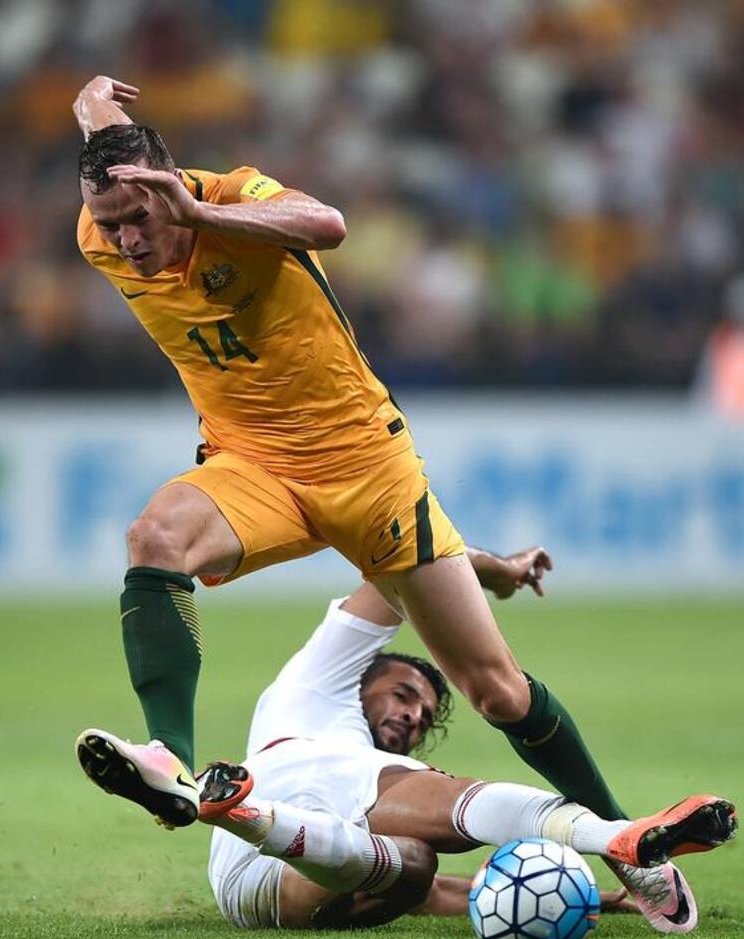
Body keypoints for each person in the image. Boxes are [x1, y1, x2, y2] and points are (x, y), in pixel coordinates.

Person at [73, 75, 627, 844]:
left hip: (367, 471)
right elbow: (110, 141)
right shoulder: (98, 230)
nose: (127, 239)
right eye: (111, 221)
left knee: (496, 691)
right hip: (254, 465)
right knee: (154, 539)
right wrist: (91, 105)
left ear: (173, 188)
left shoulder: (235, 199)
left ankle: (628, 841)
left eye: (141, 216)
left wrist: (201, 213)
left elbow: (327, 222)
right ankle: (172, 764)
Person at [189, 546, 735, 932]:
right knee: (428, 796)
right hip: (252, 864)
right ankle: (616, 836)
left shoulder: (373, 769)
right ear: (365, 678)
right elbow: (415, 560)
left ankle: (621, 845)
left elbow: (440, 895)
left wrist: (590, 900)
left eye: (425, 716)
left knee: (417, 864)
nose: (413, 715)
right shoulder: (318, 683)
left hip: (303, 875)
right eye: (403, 695)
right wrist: (496, 571)